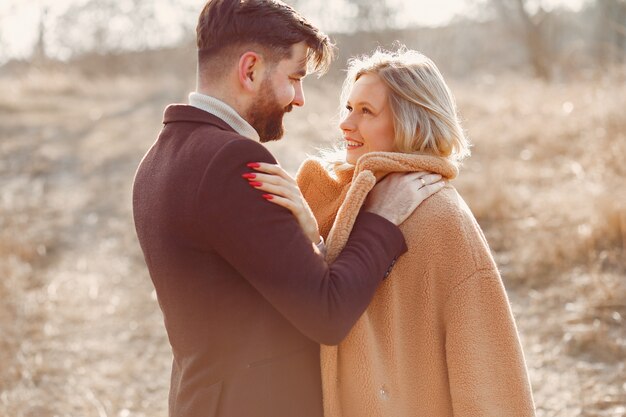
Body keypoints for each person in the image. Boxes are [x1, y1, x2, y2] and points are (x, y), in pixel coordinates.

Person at [132, 1, 445, 416]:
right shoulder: (234, 162)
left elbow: (253, 288)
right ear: (250, 69)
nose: (299, 99)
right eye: (295, 77)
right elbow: (328, 314)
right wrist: (380, 219)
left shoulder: (158, 159)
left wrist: (311, 234)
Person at [250, 48, 536, 416]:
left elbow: (487, 369)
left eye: (366, 111)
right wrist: (308, 235)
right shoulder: (320, 192)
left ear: (411, 122)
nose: (346, 124)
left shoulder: (441, 215)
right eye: (349, 108)